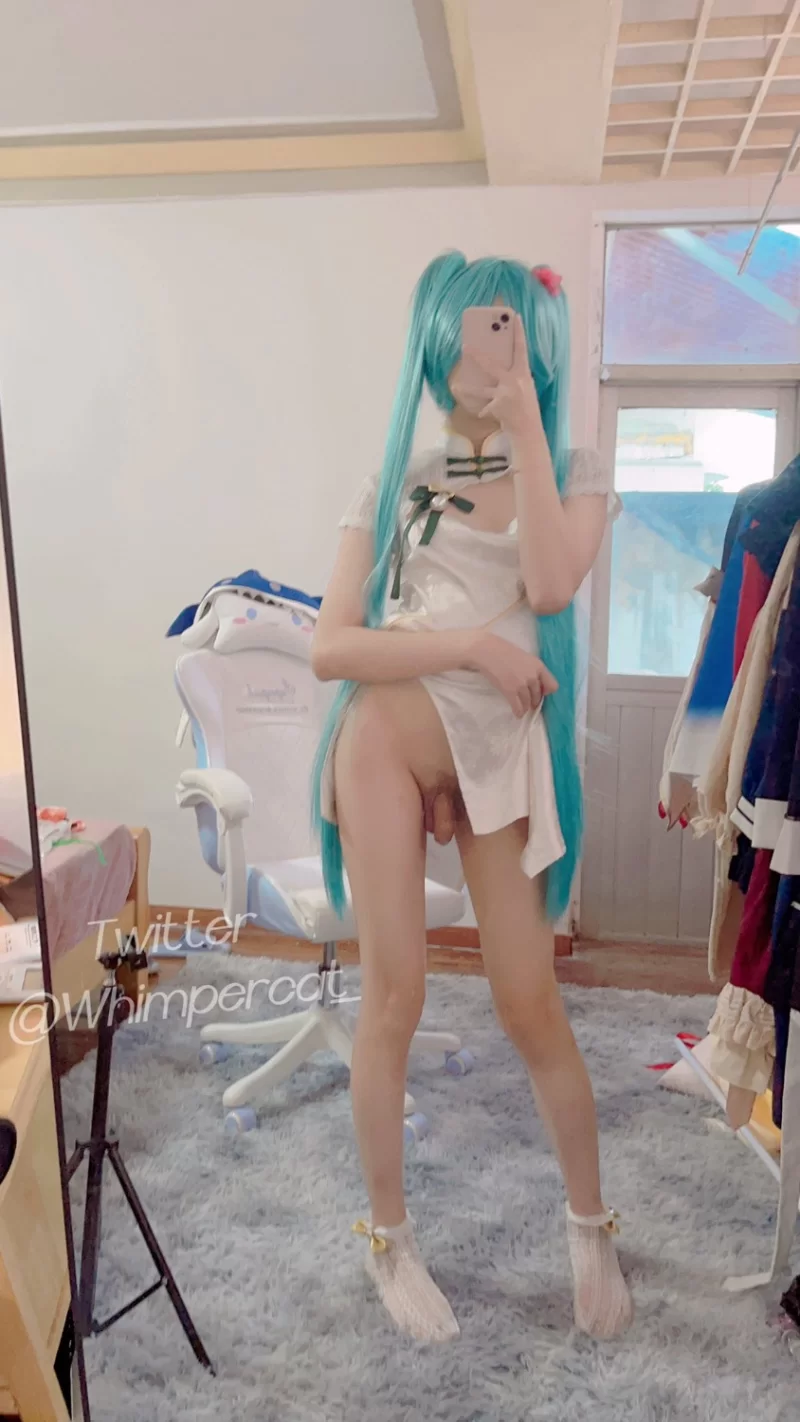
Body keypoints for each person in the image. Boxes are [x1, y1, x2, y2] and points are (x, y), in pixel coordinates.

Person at [310, 252, 632, 1343]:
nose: (483, 347)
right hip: (386, 743)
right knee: (392, 998)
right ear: (436, 337)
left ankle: (590, 1227)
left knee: (529, 1003)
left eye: (505, 327)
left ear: (536, 338)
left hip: (502, 758)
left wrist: (529, 426)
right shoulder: (395, 477)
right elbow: (332, 648)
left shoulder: (575, 470)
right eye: (468, 327)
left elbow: (546, 584)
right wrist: (471, 651)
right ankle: (388, 1241)